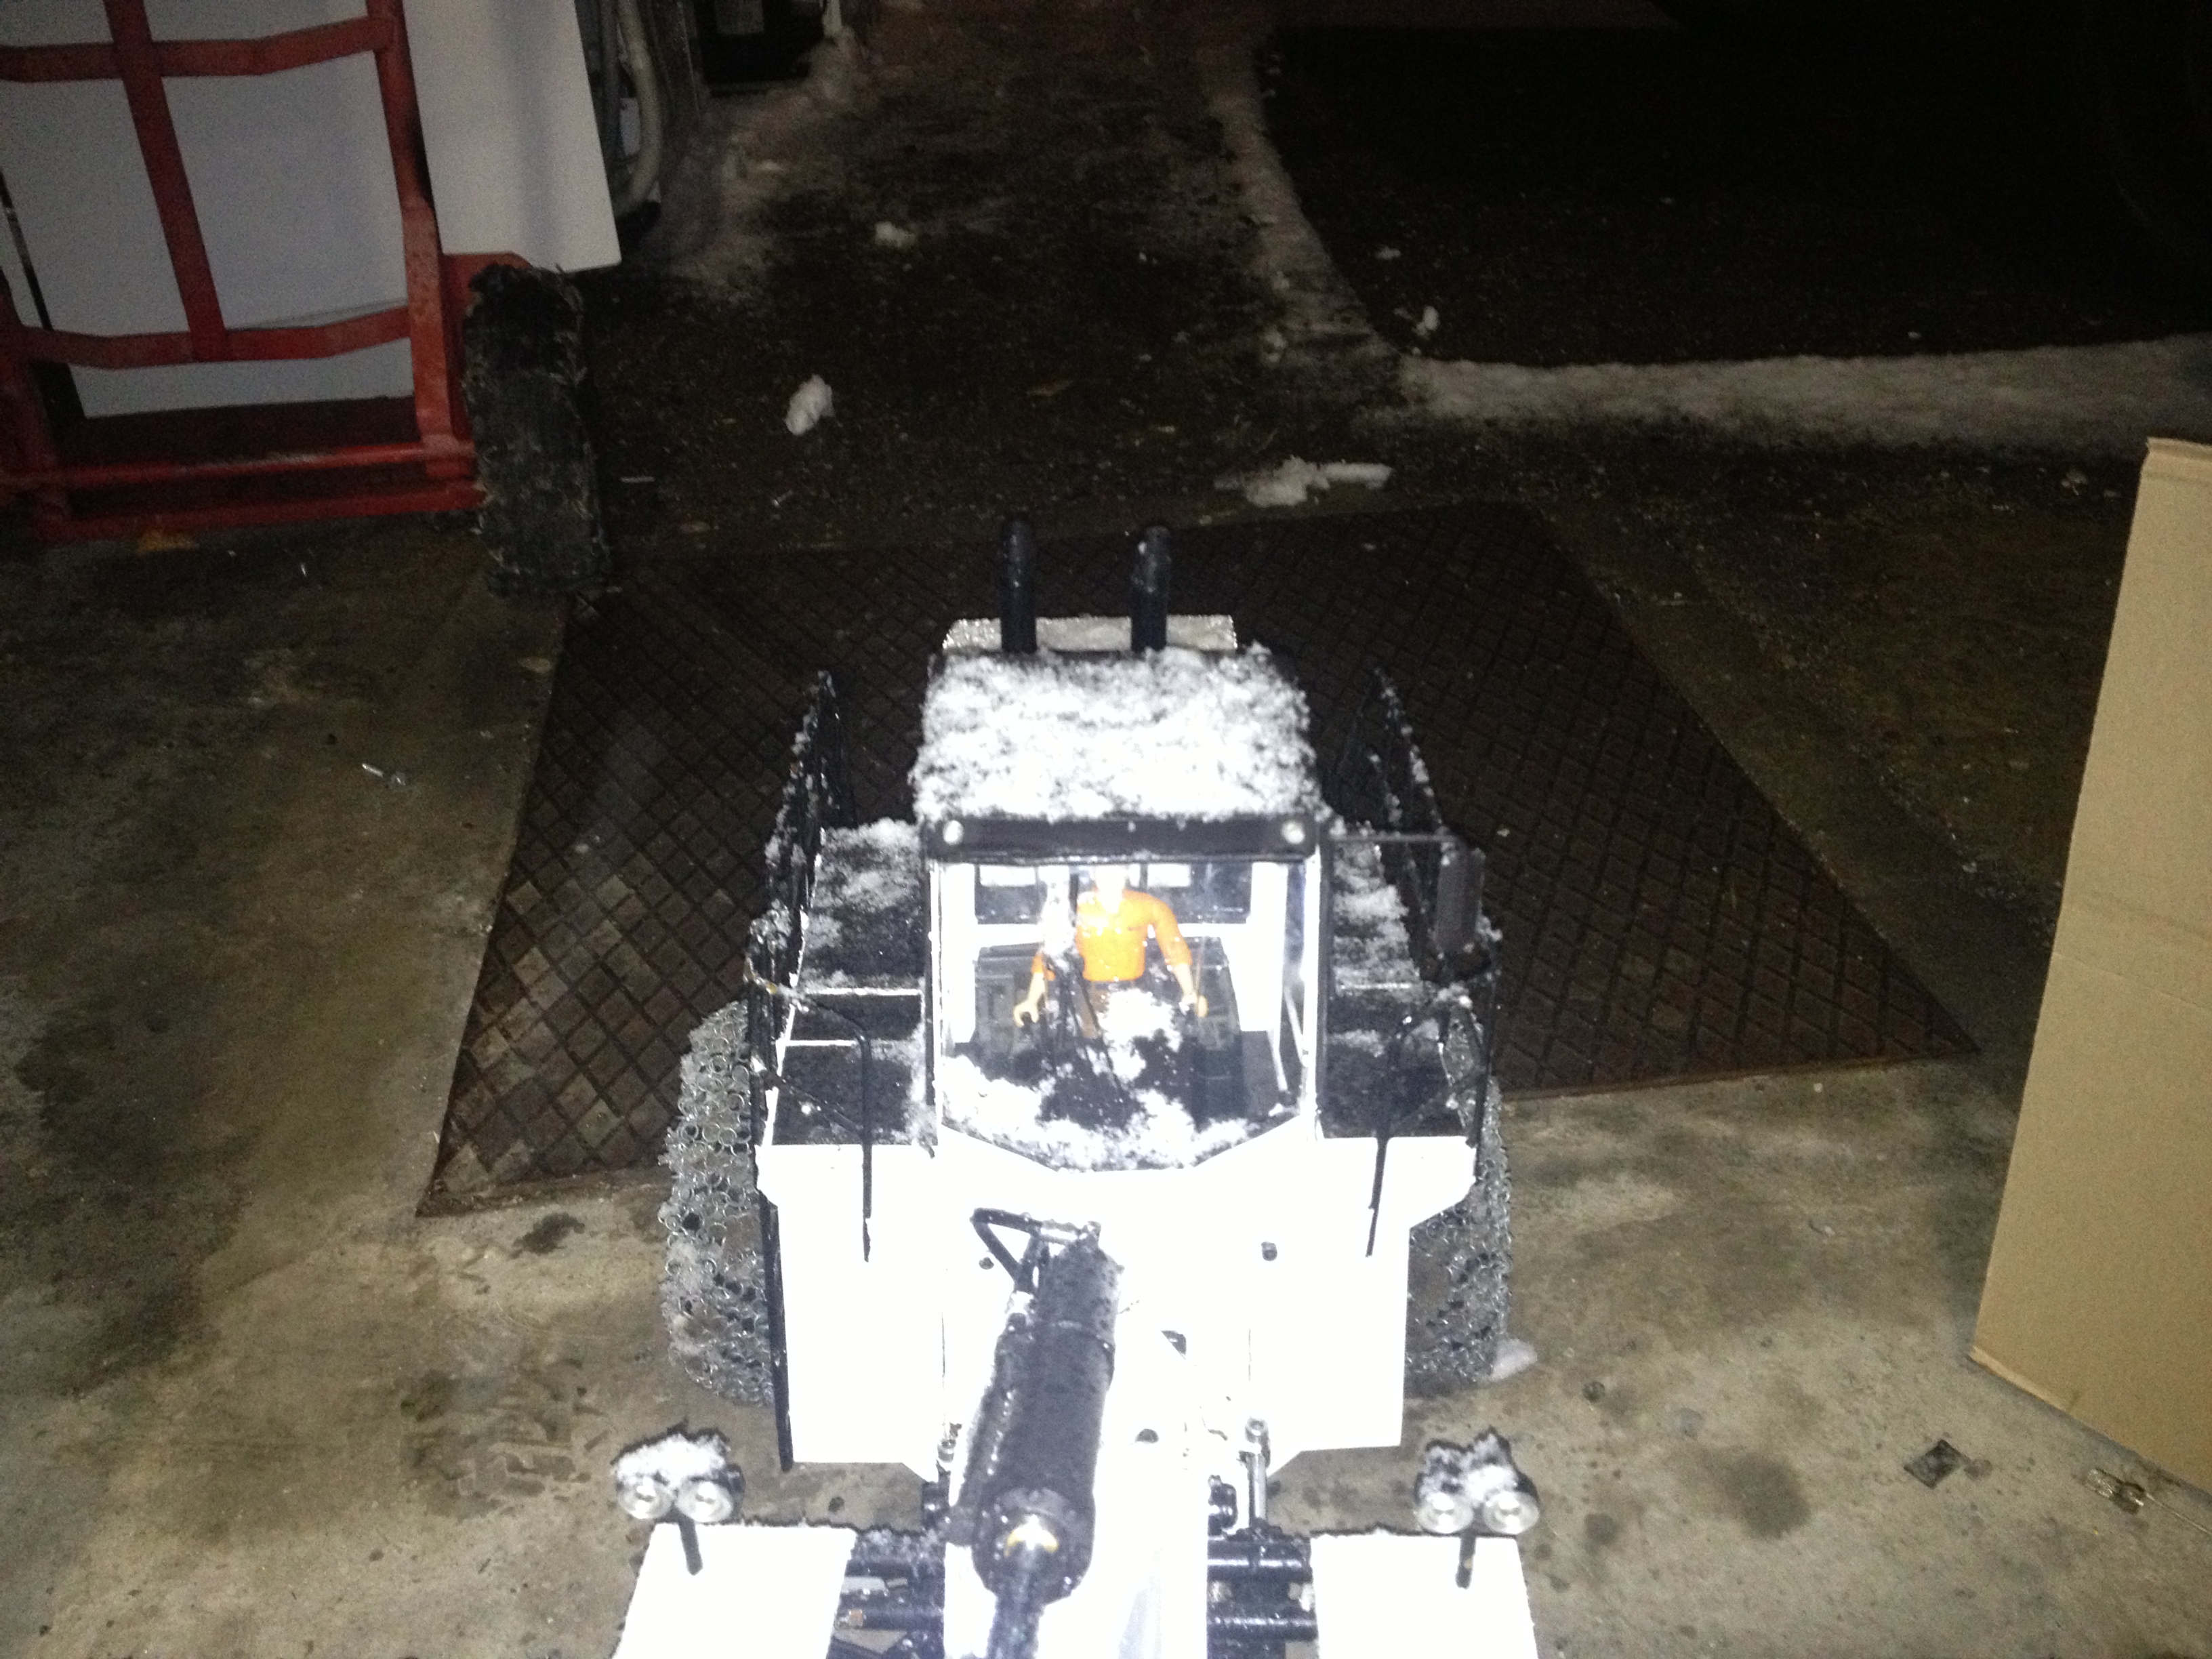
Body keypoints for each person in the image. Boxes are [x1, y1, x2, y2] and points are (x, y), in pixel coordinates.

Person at [1012, 863, 1208, 1028]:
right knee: (1090, 1046)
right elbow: (1049, 956)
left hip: (1137, 996)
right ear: (1093, 873)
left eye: (1117, 871)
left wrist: (1190, 992)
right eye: (1104, 872)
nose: (1110, 878)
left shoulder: (1149, 907)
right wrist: (1031, 1000)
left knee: (1140, 1046)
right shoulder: (1075, 909)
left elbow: (1174, 949)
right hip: (1089, 996)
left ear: (1126, 873)